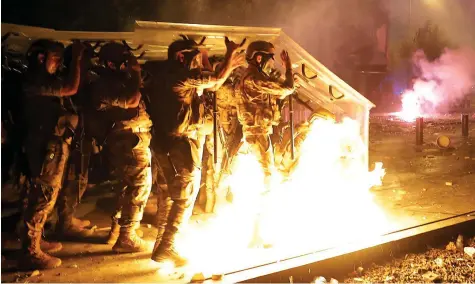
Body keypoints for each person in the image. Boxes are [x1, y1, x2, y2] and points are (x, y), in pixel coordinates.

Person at [148, 36, 245, 267]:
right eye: (194, 58)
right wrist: (230, 56)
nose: (197, 64)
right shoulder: (180, 75)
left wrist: (209, 56)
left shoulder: (172, 74)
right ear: (181, 57)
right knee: (184, 197)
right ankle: (166, 247)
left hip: (169, 143)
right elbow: (216, 79)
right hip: (179, 145)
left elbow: (212, 82)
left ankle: (162, 245)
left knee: (170, 195)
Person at [20, 39, 85, 269]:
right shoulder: (34, 80)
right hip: (44, 146)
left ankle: (35, 240)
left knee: (46, 193)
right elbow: (70, 88)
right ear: (40, 58)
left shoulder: (43, 80)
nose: (58, 65)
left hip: (51, 144)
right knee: (42, 195)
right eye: (55, 59)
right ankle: (30, 251)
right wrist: (76, 57)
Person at [88, 42, 153, 252]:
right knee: (139, 187)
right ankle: (127, 237)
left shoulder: (114, 81)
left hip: (127, 142)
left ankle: (117, 233)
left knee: (125, 188)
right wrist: (136, 74)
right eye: (124, 62)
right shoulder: (104, 86)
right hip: (129, 143)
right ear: (110, 63)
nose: (127, 65)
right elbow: (132, 101)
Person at [234, 40, 296, 247]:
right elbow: (288, 88)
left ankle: (256, 232)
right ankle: (255, 235)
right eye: (270, 59)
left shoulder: (251, 77)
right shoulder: (254, 78)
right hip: (257, 135)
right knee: (265, 182)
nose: (271, 64)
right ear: (259, 58)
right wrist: (288, 66)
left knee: (262, 182)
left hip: (256, 134)